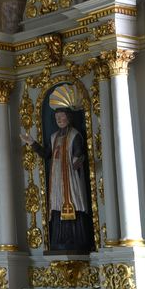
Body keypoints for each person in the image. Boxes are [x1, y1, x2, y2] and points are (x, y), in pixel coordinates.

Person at [20, 103, 94, 252]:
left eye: (61, 116)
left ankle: (78, 241)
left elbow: (79, 153)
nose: (59, 119)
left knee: (74, 201)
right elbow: (47, 154)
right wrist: (32, 143)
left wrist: (78, 160)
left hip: (71, 177)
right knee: (57, 205)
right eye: (56, 117)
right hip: (56, 180)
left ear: (68, 117)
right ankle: (59, 240)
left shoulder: (75, 135)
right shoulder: (54, 137)